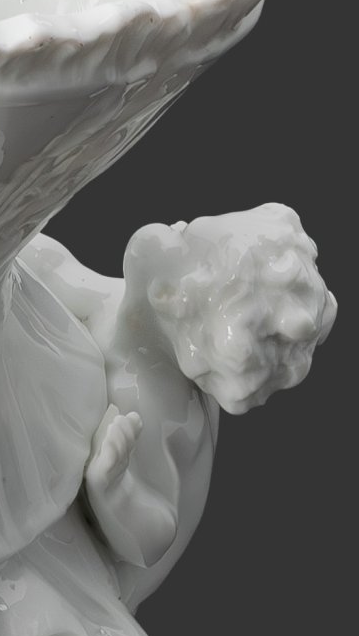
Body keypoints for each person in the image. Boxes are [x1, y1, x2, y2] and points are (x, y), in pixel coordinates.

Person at [22, 203, 336, 607]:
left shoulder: (158, 408)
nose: (168, 234)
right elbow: (53, 269)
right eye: (186, 231)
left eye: (186, 246)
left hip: (86, 568)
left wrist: (114, 485)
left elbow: (153, 539)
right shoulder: (120, 304)